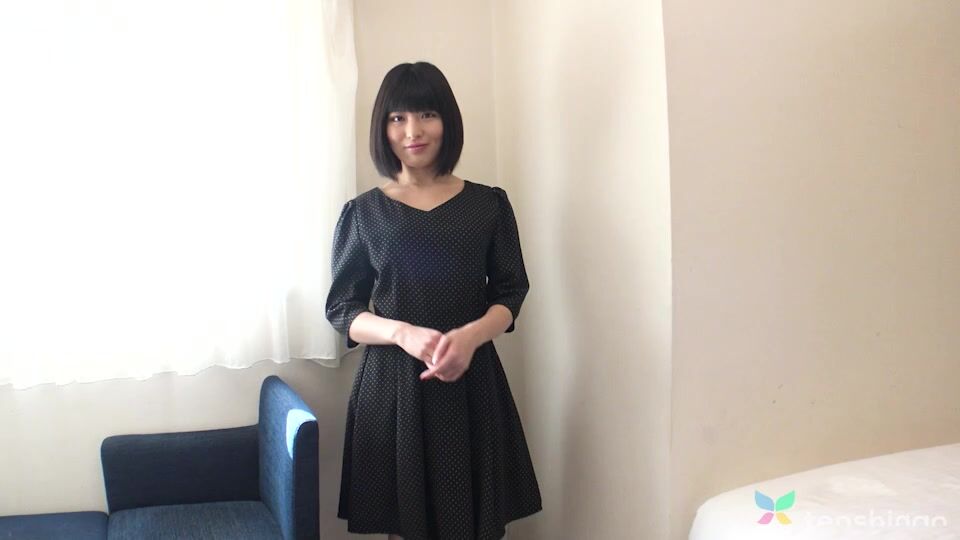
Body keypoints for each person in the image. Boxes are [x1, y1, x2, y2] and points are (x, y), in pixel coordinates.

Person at [325, 61, 542, 540]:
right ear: (383, 128)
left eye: (427, 114)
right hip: (392, 386)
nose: (413, 131)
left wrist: (470, 337)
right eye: (397, 118)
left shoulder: (488, 204)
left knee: (476, 523)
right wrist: (402, 333)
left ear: (448, 120)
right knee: (406, 525)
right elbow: (342, 309)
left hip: (472, 378)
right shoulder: (363, 213)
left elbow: (511, 291)